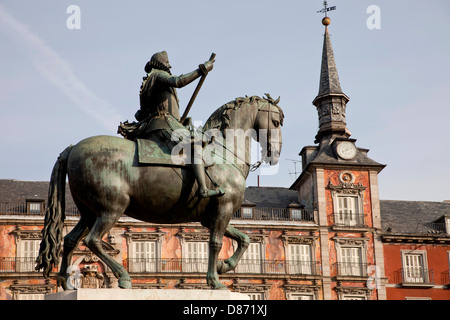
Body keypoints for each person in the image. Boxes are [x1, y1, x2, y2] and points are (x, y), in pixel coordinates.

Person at [136, 51, 224, 198]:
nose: (169, 66)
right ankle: (203, 189)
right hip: (162, 124)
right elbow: (178, 81)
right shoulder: (158, 75)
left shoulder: (152, 80)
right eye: (167, 63)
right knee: (195, 144)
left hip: (163, 123)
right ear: (162, 64)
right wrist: (201, 69)